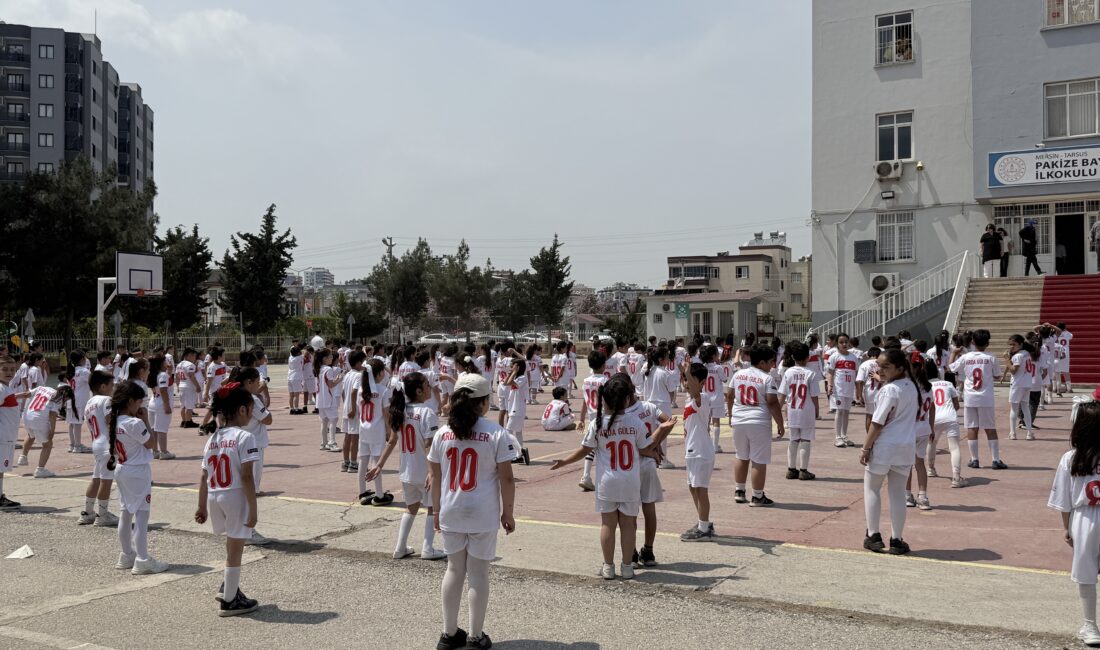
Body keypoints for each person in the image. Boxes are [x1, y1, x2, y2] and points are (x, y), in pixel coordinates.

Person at [552, 374, 674, 579]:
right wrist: (661, 431)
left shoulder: (597, 423)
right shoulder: (634, 421)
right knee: (628, 524)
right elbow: (646, 448)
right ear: (626, 400)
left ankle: (608, 566)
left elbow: (584, 450)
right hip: (630, 481)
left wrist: (564, 462)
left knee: (607, 524)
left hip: (607, 482)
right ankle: (627, 567)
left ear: (604, 401)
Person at [428, 374, 516, 650]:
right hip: (483, 511)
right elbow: (507, 478)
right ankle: (476, 637)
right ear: (482, 403)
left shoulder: (443, 433)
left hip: (451, 509)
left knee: (454, 569)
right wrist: (508, 512)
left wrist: (436, 511)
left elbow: (434, 475)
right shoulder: (495, 433)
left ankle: (448, 633)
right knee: (478, 573)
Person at [194, 381, 261, 617]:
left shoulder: (213, 438)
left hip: (215, 494)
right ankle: (230, 601)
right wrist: (253, 509)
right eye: (250, 410)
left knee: (230, 545)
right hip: (235, 496)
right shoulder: (245, 437)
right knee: (235, 551)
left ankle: (229, 586)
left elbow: (204, 475)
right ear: (242, 410)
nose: (251, 415)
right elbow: (246, 476)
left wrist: (201, 505)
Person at [368, 371, 444, 561]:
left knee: (411, 508)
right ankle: (427, 548)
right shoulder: (427, 412)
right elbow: (429, 445)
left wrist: (379, 464)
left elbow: (392, 441)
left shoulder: (401, 411)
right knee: (431, 507)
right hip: (424, 471)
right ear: (419, 391)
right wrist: (431, 471)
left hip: (407, 471)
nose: (429, 388)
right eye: (427, 385)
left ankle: (400, 547)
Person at [1047, 400, 1100, 646]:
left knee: (1086, 572)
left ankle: (1090, 626)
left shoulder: (1070, 458)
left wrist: (1067, 529)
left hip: (1084, 517)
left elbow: (1064, 501)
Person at [861, 349, 920, 555]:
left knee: (872, 488)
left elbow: (877, 423)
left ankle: (874, 535)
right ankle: (897, 539)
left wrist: (866, 447)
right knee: (897, 493)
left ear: (900, 368)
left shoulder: (889, 390)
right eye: (879, 365)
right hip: (905, 446)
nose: (880, 370)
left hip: (885, 444)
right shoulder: (911, 386)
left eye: (886, 366)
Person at [109, 380, 168, 575]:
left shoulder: (113, 420)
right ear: (131, 401)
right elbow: (150, 443)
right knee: (142, 516)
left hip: (122, 468)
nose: (140, 407)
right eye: (139, 403)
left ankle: (126, 554)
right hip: (137, 471)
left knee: (125, 513)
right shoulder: (134, 423)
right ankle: (143, 559)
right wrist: (146, 422)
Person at [726, 345, 785, 507]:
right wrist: (780, 424)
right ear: (761, 362)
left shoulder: (738, 374)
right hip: (758, 422)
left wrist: (731, 414)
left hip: (739, 420)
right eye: (770, 362)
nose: (772, 365)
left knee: (741, 455)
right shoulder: (767, 378)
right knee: (759, 460)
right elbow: (772, 402)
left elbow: (730, 395)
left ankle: (739, 491)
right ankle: (758, 496)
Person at [949, 329, 1006, 469]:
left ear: (973, 342)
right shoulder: (991, 357)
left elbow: (951, 368)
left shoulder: (966, 357)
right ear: (987, 343)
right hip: (986, 397)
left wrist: (954, 353)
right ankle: (995, 460)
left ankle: (975, 459)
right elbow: (998, 375)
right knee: (990, 428)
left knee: (972, 427)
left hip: (970, 397)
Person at [78, 370, 121, 526]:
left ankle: (88, 512)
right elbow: (110, 420)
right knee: (106, 480)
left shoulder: (89, 403)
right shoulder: (107, 400)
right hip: (107, 444)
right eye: (111, 385)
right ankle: (102, 515)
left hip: (96, 443)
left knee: (96, 478)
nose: (113, 388)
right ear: (103, 386)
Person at [680, 362, 716, 540]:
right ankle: (704, 522)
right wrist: (686, 373)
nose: (686, 383)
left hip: (701, 452)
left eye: (690, 380)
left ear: (701, 382)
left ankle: (704, 528)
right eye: (685, 379)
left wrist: (687, 370)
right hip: (693, 450)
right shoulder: (690, 400)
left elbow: (695, 391)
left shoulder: (702, 399)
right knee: (693, 488)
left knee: (701, 489)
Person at [777, 342, 820, 480]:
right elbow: (814, 396)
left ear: (793, 358)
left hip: (792, 409)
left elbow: (782, 394)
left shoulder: (788, 372)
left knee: (793, 439)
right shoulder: (811, 374)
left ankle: (791, 469)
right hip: (806, 410)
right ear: (807, 358)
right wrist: (817, 411)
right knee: (806, 439)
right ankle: (803, 470)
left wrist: (778, 412)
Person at [19, 381, 76, 478]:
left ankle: (23, 457)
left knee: (31, 436)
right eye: (66, 400)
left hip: (27, 417)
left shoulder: (42, 388)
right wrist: (52, 431)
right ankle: (40, 470)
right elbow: (52, 415)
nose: (65, 402)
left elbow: (25, 394)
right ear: (65, 395)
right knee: (47, 445)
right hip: (39, 419)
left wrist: (11, 396)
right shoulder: (57, 399)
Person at [0, 356, 28, 509]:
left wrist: (19, 396)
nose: (9, 372)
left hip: (7, 436)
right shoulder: (1, 388)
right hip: (3, 436)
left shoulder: (6, 388)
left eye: (12, 369)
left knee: (1, 469)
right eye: (4, 369)